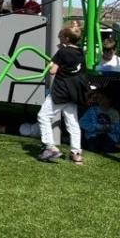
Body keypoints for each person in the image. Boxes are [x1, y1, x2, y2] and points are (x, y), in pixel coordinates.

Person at [37, 23, 88, 164]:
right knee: (72, 122)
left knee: (43, 116)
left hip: (61, 92)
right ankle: (76, 153)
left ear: (66, 38)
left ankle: (50, 146)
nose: (59, 40)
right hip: (74, 92)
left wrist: (52, 63)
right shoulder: (80, 51)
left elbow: (53, 71)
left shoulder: (62, 52)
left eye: (61, 37)